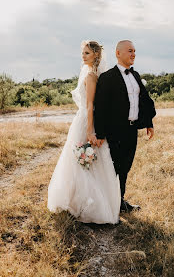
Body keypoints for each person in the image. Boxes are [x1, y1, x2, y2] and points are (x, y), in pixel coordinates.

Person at [47, 40, 121, 224]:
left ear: (96, 55)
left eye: (87, 53)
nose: (83, 56)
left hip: (85, 122)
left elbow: (90, 105)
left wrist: (89, 130)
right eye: (83, 53)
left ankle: (89, 205)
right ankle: (77, 199)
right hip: (81, 119)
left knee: (84, 161)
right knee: (79, 161)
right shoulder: (90, 73)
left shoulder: (91, 76)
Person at [94, 40, 156, 213]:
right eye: (130, 50)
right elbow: (100, 107)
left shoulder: (135, 76)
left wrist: (148, 123)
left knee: (125, 167)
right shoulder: (108, 77)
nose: (133, 54)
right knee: (114, 168)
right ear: (118, 53)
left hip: (131, 130)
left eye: (135, 51)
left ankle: (119, 202)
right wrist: (99, 134)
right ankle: (110, 203)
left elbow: (144, 100)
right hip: (115, 131)